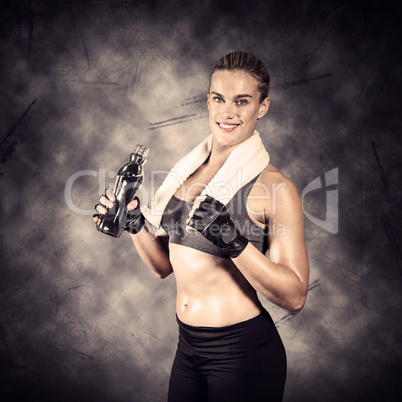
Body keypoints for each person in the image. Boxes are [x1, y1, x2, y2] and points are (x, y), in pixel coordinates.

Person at [94, 51, 309, 402]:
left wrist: (232, 240)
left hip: (243, 353)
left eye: (242, 101)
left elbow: (295, 296)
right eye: (219, 99)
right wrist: (133, 222)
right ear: (208, 101)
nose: (227, 112)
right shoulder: (188, 173)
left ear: (263, 106)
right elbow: (165, 267)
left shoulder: (276, 188)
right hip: (188, 348)